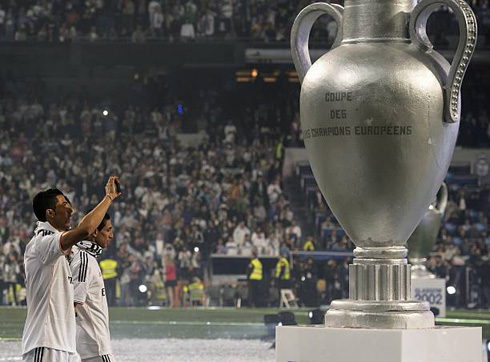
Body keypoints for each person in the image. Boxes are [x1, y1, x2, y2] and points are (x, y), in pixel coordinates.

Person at [21, 176, 120, 362]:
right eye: (64, 205)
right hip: (45, 344)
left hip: (66, 348)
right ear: (50, 213)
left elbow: (82, 235)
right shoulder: (42, 243)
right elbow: (85, 230)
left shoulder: (60, 249)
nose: (71, 209)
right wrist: (108, 198)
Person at [71, 213, 116, 362]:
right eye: (108, 230)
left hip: (87, 347)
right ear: (95, 231)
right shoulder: (84, 260)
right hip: (95, 347)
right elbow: (73, 305)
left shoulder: (84, 257)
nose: (111, 236)